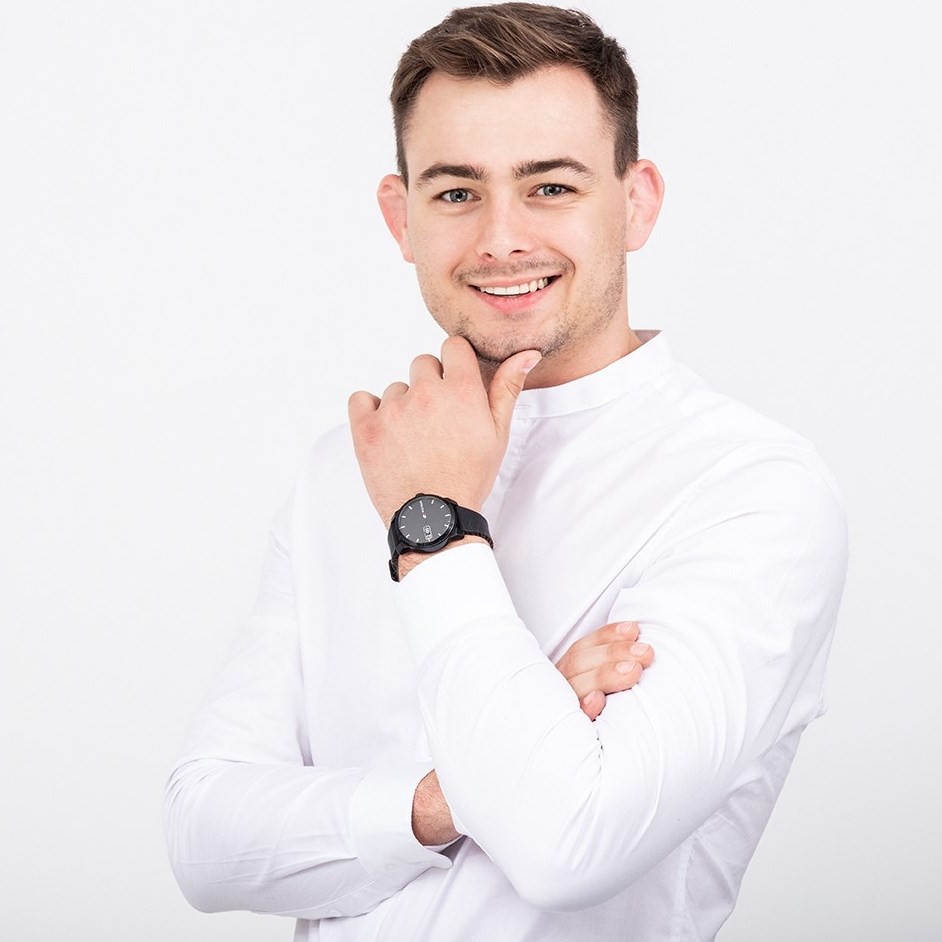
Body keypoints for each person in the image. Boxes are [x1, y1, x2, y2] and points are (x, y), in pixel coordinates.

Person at [164, 4, 848, 939]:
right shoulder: (345, 467)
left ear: (637, 202)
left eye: (551, 187)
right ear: (401, 217)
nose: (500, 240)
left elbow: (570, 843)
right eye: (456, 193)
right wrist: (454, 794)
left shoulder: (751, 490)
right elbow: (204, 840)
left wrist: (433, 523)